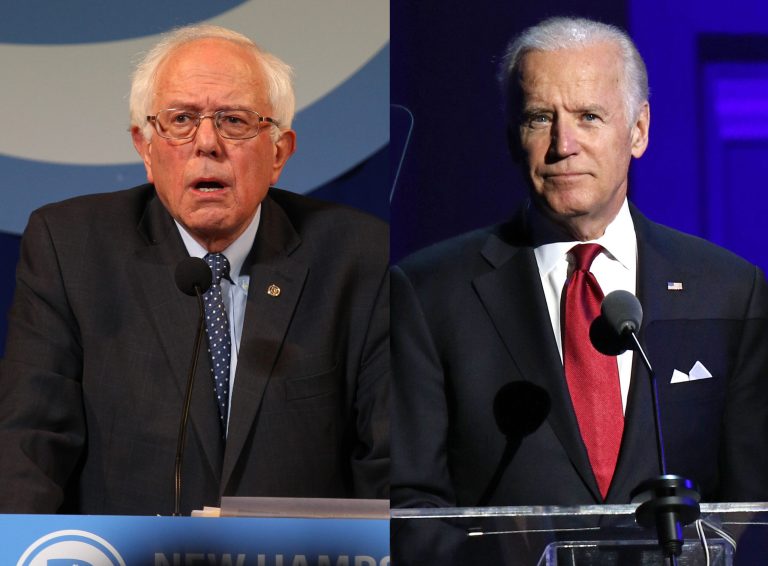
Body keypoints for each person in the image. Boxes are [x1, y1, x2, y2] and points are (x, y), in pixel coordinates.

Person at [0, 25, 389, 515]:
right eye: (181, 119)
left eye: (234, 121)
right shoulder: (71, 246)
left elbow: (387, 456)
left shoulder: (359, 256)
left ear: (278, 153)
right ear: (144, 148)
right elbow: (30, 442)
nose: (207, 143)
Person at [392, 16, 768, 514]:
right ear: (511, 138)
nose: (563, 144)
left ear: (638, 131)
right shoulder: (428, 292)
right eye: (539, 119)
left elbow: (753, 500)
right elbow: (412, 502)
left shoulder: (729, 290)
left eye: (589, 116)